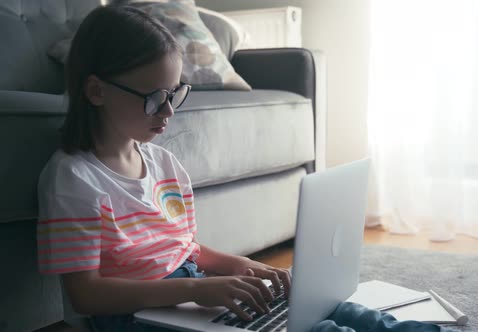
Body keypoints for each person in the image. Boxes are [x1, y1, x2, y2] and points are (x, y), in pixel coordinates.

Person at [37, 4, 454, 332]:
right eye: (153, 98)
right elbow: (85, 295)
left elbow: (186, 249)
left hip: (187, 289)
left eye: (175, 94)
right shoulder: (74, 179)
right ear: (96, 91)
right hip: (133, 314)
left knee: (320, 306)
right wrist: (198, 290)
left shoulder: (164, 164)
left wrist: (239, 267)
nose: (167, 112)